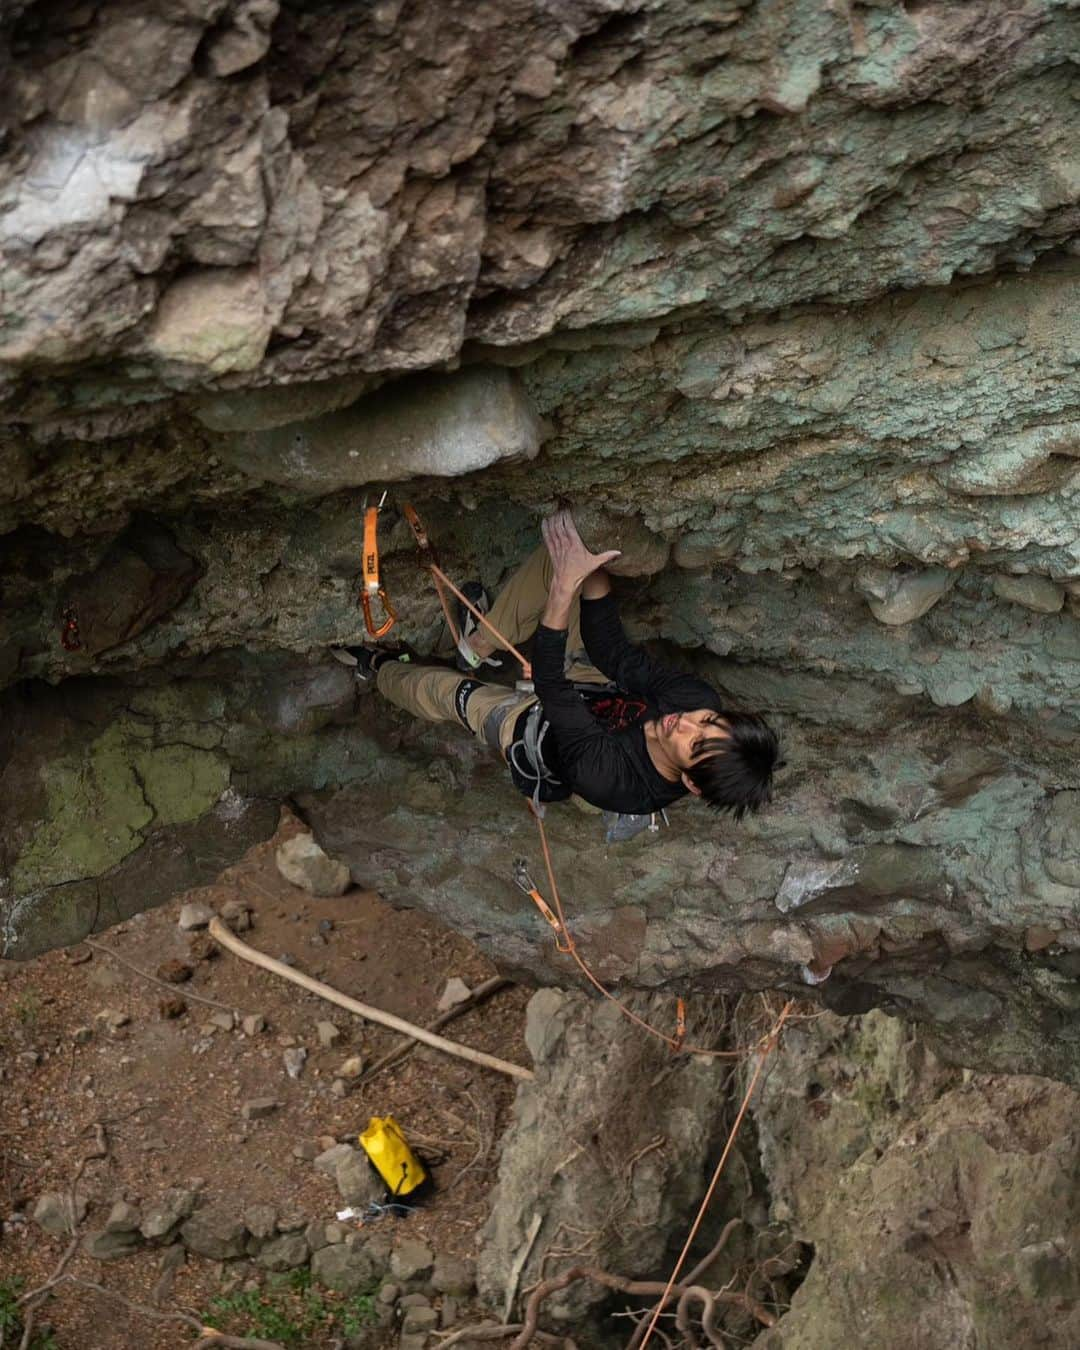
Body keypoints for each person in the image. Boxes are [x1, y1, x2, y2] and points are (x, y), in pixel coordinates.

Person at [339, 510, 779, 825]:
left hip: (537, 733)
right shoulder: (696, 702)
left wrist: (566, 591)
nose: (683, 724)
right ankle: (479, 644)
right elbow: (614, 655)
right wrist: (590, 573)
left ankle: (377, 667)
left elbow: (551, 686)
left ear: (692, 783)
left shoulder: (615, 781)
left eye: (694, 744)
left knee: (450, 695)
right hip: (594, 691)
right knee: (567, 560)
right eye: (706, 723)